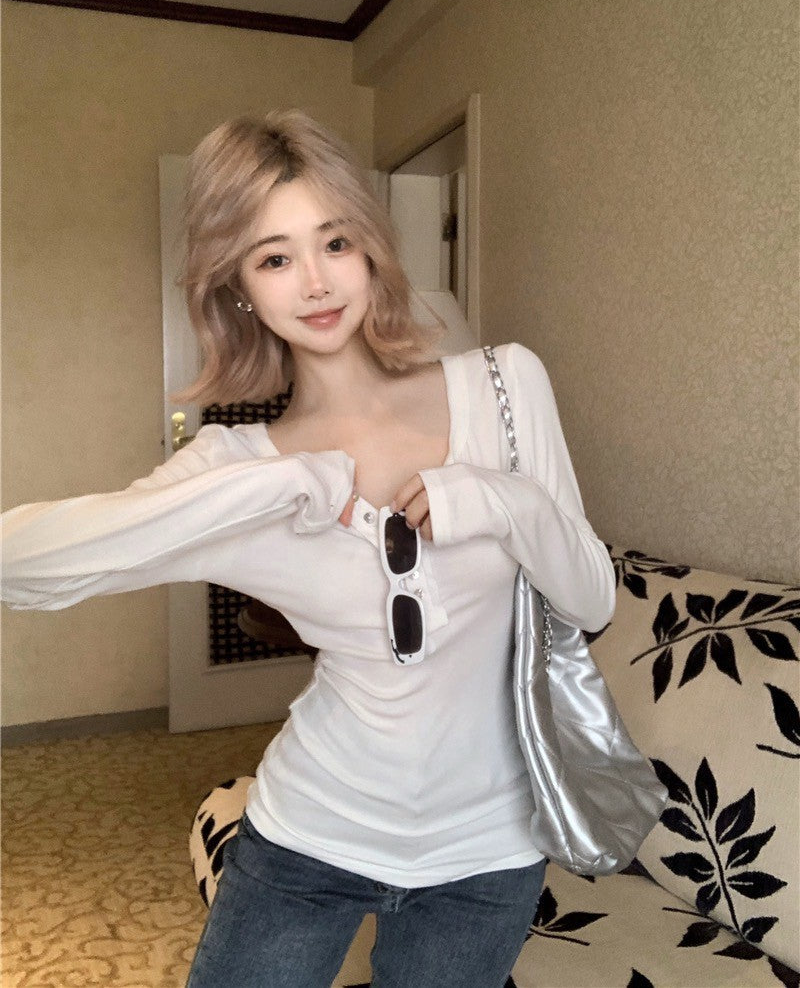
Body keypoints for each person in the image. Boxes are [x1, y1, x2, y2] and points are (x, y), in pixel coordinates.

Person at [1, 110, 616, 988]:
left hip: (490, 856)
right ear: (239, 286)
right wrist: (265, 489)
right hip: (309, 838)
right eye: (275, 258)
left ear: (371, 248)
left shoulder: (505, 385)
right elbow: (27, 563)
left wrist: (499, 502)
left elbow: (592, 599)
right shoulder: (234, 464)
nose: (317, 282)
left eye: (334, 242)